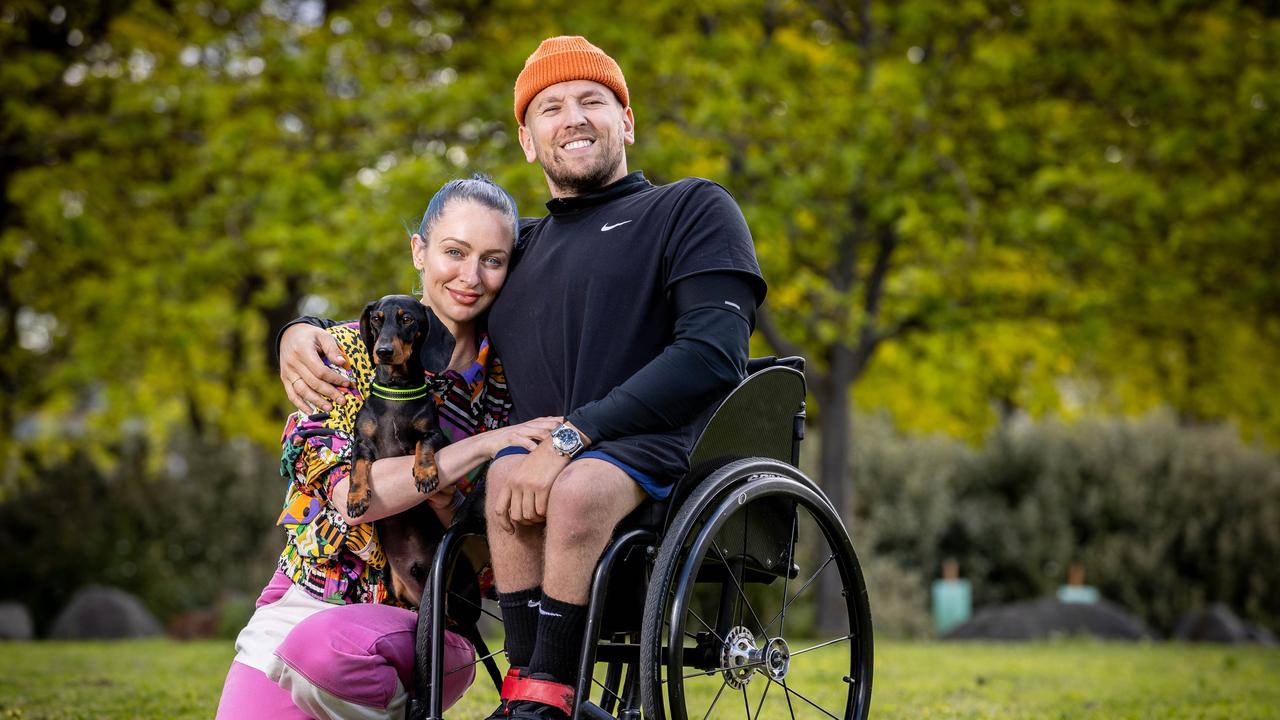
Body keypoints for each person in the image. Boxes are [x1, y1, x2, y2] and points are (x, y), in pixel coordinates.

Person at [282, 36, 767, 720]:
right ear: (528, 141)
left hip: (648, 452)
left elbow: (715, 353)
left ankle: (549, 698)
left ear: (625, 121)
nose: (573, 117)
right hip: (530, 455)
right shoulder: (522, 249)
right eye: (551, 107)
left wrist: (576, 436)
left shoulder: (690, 210)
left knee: (571, 488)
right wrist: (301, 330)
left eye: (592, 101)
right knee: (513, 474)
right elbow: (434, 307)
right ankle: (529, 694)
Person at [218, 176, 559, 720]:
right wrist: (479, 449)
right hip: (305, 600)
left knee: (325, 651)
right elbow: (351, 498)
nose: (470, 277)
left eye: (493, 260)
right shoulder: (339, 351)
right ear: (419, 251)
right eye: (454, 251)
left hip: (421, 620)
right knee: (302, 651)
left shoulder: (515, 381)